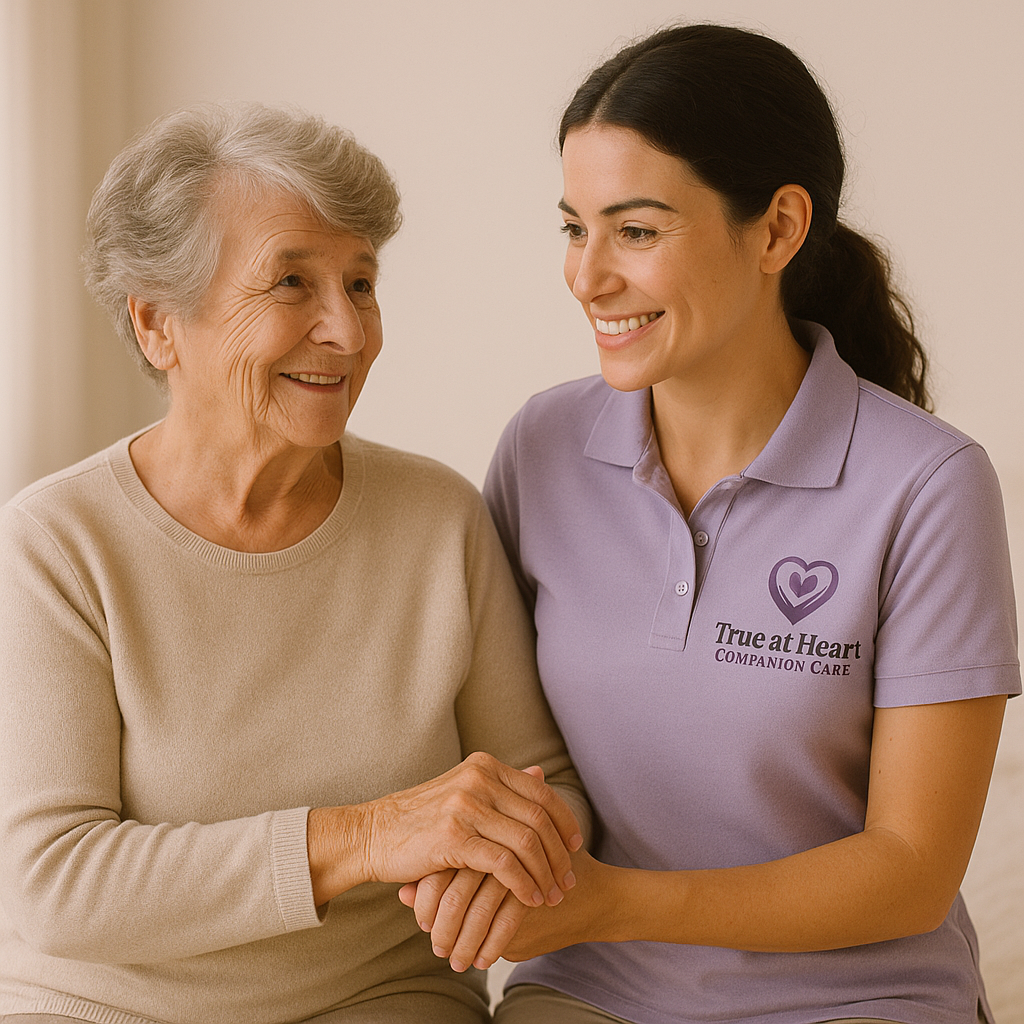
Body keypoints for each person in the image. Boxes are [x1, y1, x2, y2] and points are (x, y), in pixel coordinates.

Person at [400, 24, 1021, 1024]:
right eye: (573, 227)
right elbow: (505, 754)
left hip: (861, 995)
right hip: (592, 989)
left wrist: (612, 904)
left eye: (635, 231)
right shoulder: (543, 447)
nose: (587, 275)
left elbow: (909, 867)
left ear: (777, 229)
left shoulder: (928, 485)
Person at [0, 103, 588, 1024]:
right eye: (291, 284)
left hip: (382, 998)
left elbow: (542, 784)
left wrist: (510, 861)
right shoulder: (56, 545)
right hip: (100, 1007)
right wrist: (366, 836)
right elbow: (56, 883)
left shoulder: (438, 520)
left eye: (360, 283)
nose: (348, 334)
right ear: (158, 324)